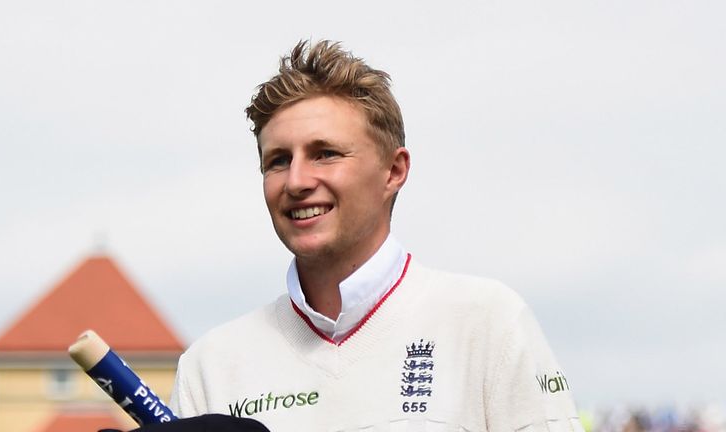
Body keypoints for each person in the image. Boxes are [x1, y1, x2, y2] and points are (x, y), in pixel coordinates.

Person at [120, 39, 583, 432]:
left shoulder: (488, 323)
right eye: (278, 160)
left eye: (325, 154)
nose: (297, 180)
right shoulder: (212, 364)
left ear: (393, 171)